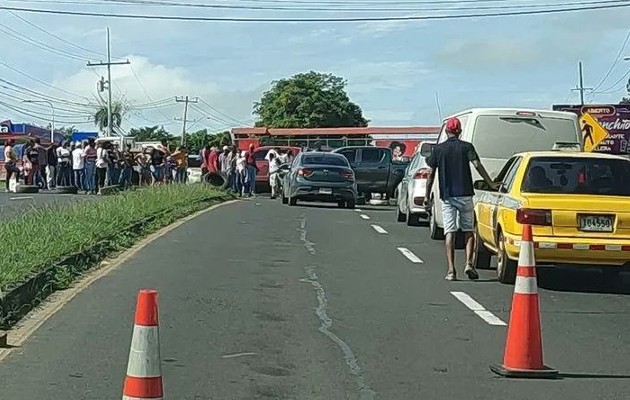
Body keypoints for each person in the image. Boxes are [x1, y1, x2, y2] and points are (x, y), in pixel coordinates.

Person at [424, 117, 499, 281]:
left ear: (446, 131)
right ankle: (468, 263)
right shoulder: (467, 147)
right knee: (468, 230)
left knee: (449, 232)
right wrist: (491, 183)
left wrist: (426, 196)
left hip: (447, 196)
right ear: (460, 131)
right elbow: (477, 165)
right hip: (465, 194)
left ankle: (451, 270)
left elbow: (430, 174)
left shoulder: (438, 150)